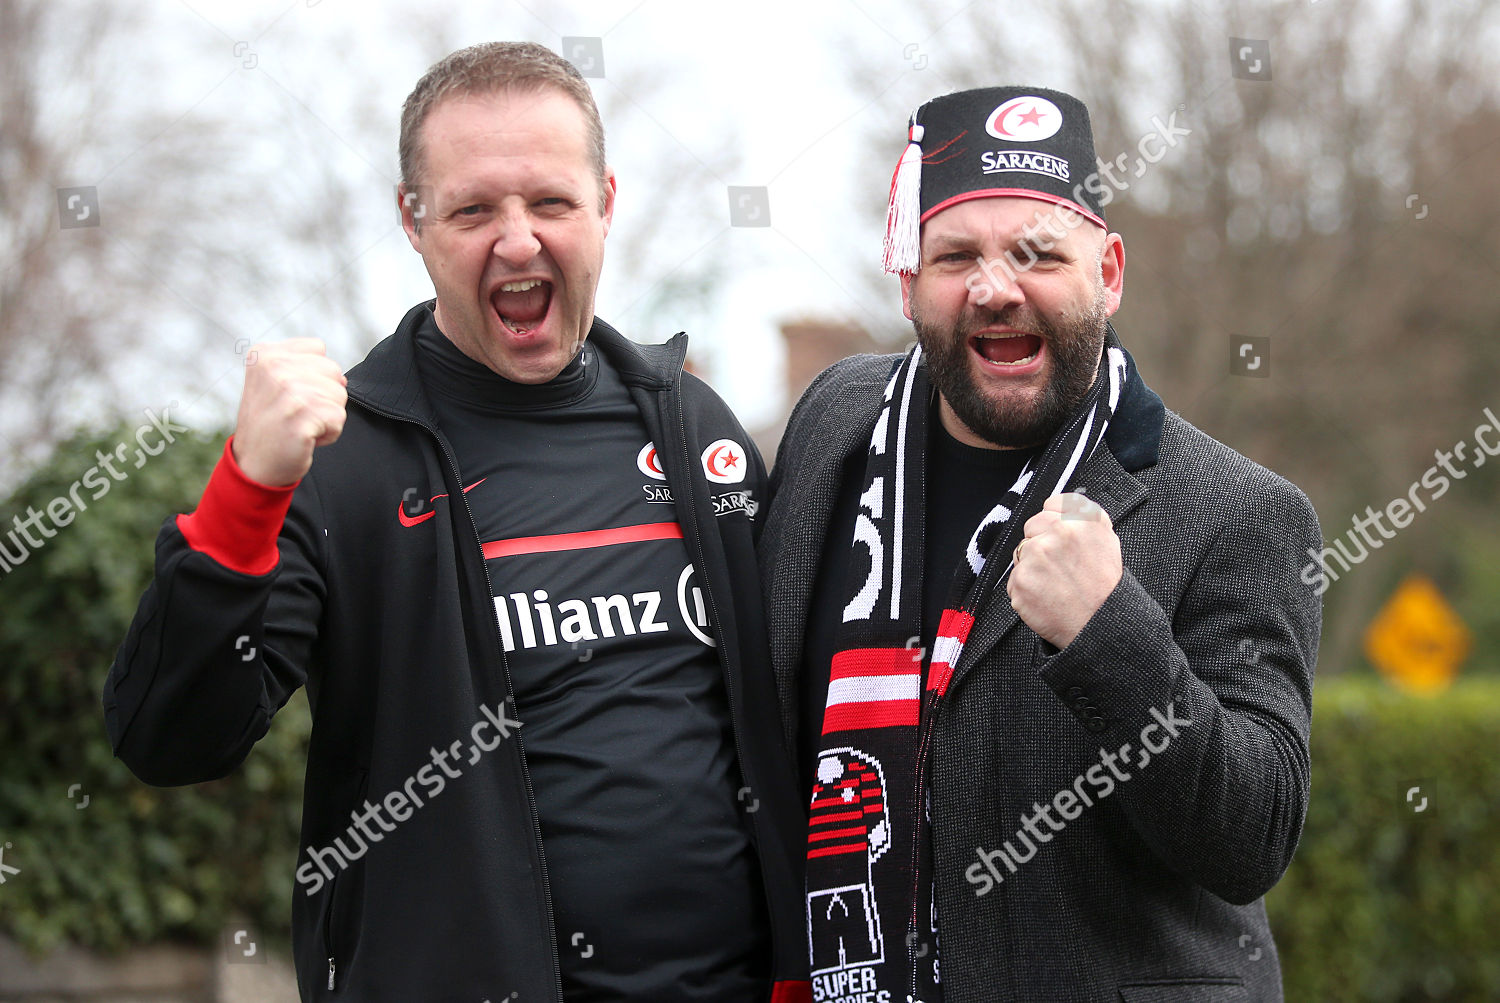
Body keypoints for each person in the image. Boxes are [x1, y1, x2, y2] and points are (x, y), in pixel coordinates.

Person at [103, 41, 809, 1002]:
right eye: (475, 208)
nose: (517, 241)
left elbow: (793, 705)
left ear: (605, 203)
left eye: (551, 202)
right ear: (414, 219)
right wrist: (243, 493)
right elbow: (170, 738)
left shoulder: (694, 428)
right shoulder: (339, 460)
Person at [760, 86, 1321, 1001]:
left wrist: (1111, 638)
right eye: (956, 257)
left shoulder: (1237, 511)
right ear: (908, 281)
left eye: (1038, 254)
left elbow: (1251, 837)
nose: (994, 288)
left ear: (1109, 270)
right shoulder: (834, 426)